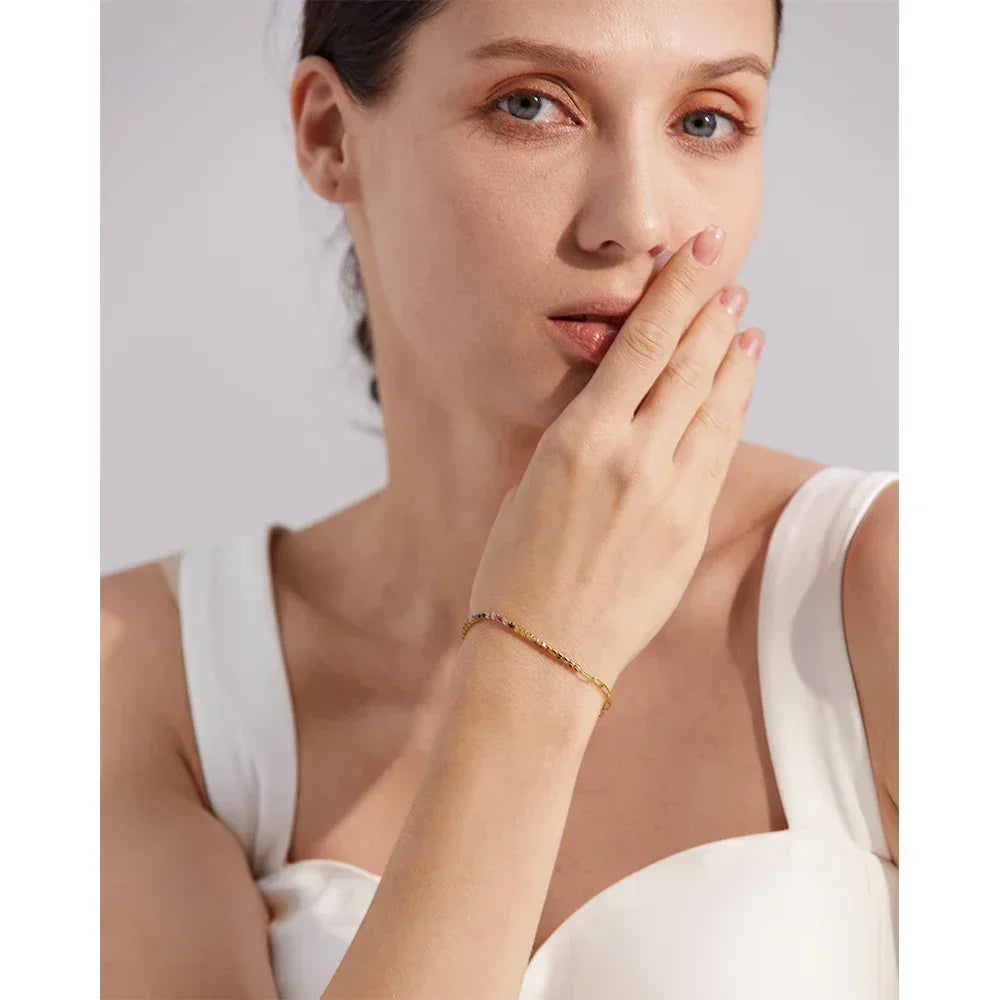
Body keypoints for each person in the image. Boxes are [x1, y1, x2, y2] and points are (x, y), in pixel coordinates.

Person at [101, 1, 899, 997]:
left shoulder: (894, 588)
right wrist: (534, 664)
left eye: (706, 120)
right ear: (328, 135)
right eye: (532, 105)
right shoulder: (135, 677)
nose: (639, 224)